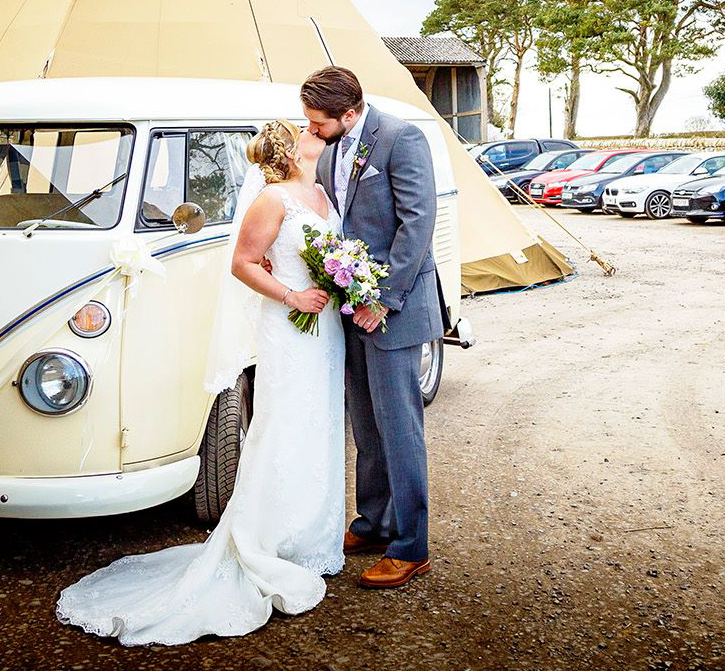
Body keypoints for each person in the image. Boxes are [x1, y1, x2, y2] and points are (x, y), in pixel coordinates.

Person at [55, 119, 345, 646]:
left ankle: (313, 537)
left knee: (321, 422)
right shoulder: (273, 200)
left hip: (326, 329)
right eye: (305, 130)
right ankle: (272, 538)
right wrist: (292, 297)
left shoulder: (321, 192)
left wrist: (342, 281)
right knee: (283, 423)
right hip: (290, 323)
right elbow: (242, 263)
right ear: (290, 149)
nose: (315, 132)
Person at [304, 66, 443, 589]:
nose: (311, 130)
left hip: (394, 312)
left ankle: (412, 545)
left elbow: (417, 224)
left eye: (318, 122)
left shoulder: (402, 139)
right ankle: (374, 522)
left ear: (350, 113)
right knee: (365, 424)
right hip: (348, 306)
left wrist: (383, 300)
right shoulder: (334, 145)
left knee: (400, 429)